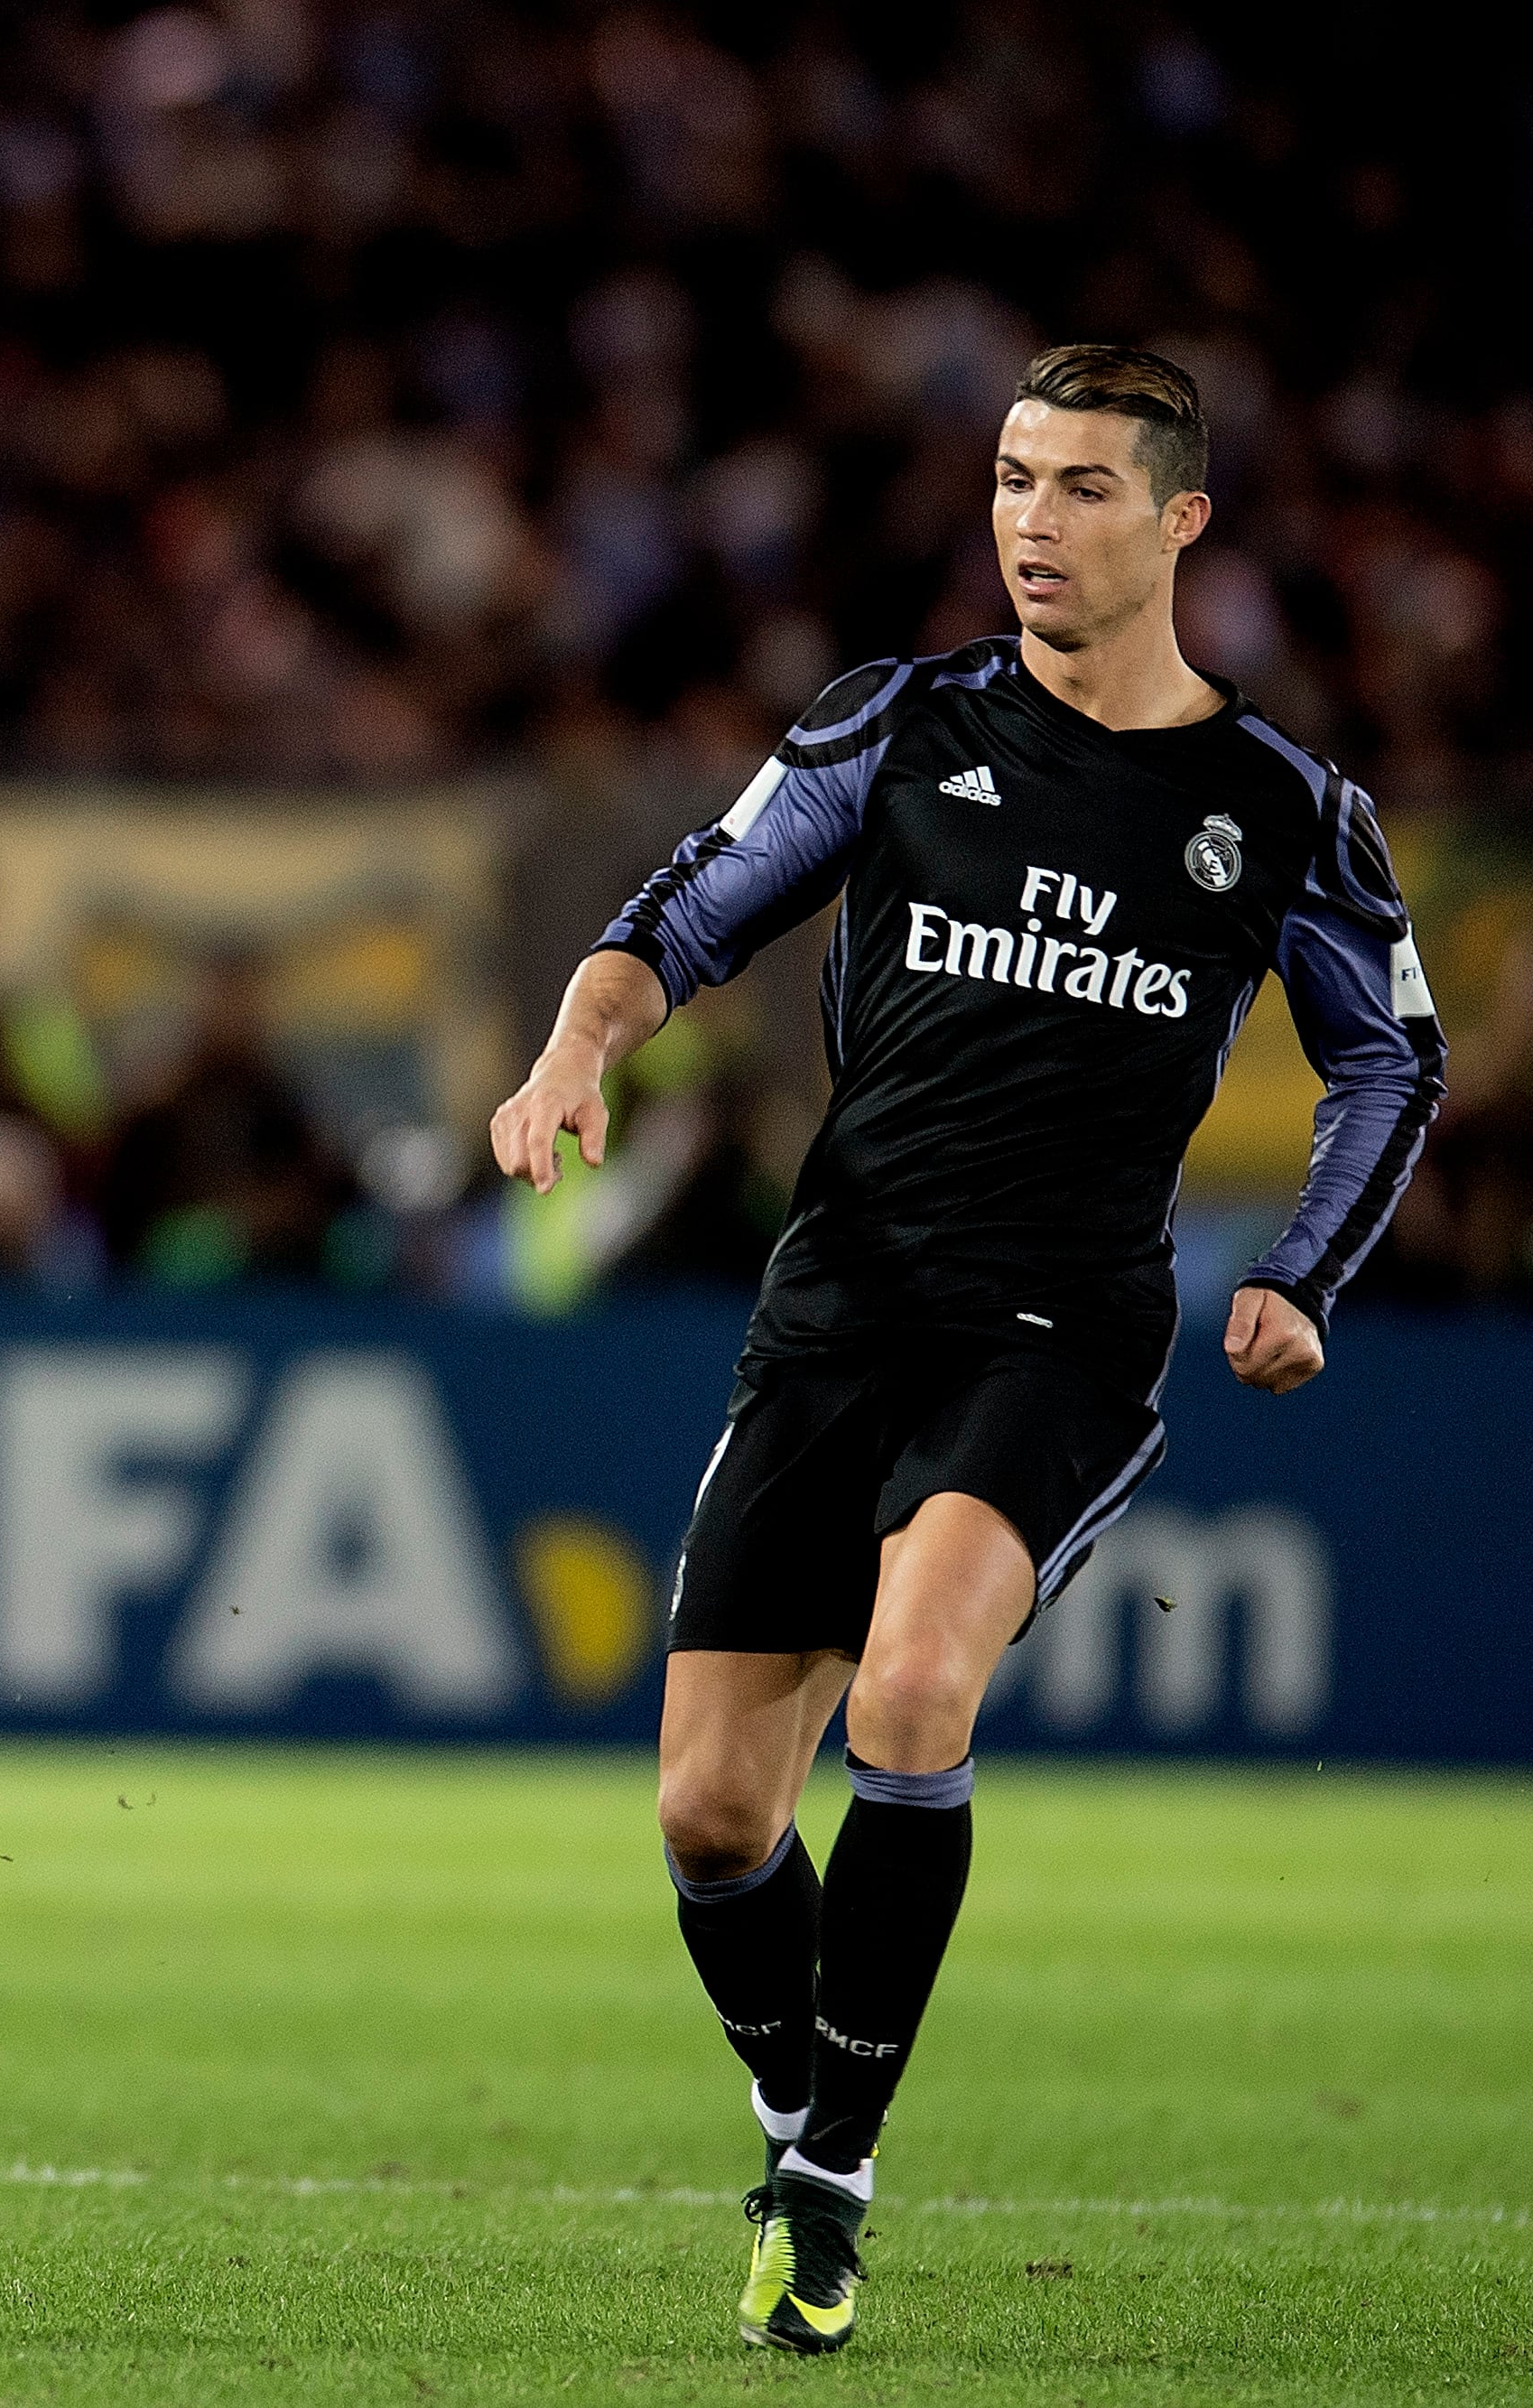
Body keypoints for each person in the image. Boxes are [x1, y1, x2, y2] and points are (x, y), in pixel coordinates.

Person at [489, 347, 1446, 2357]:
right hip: (835, 1304)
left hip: (1054, 1327)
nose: (1030, 520)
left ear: (1179, 521)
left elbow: (1386, 1056)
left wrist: (1301, 1272)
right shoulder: (901, 722)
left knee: (911, 1690)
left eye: (1081, 487)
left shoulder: (1278, 808)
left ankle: (825, 2185)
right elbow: (686, 906)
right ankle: (790, 2108)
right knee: (706, 1819)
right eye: (1010, 478)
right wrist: (579, 1040)